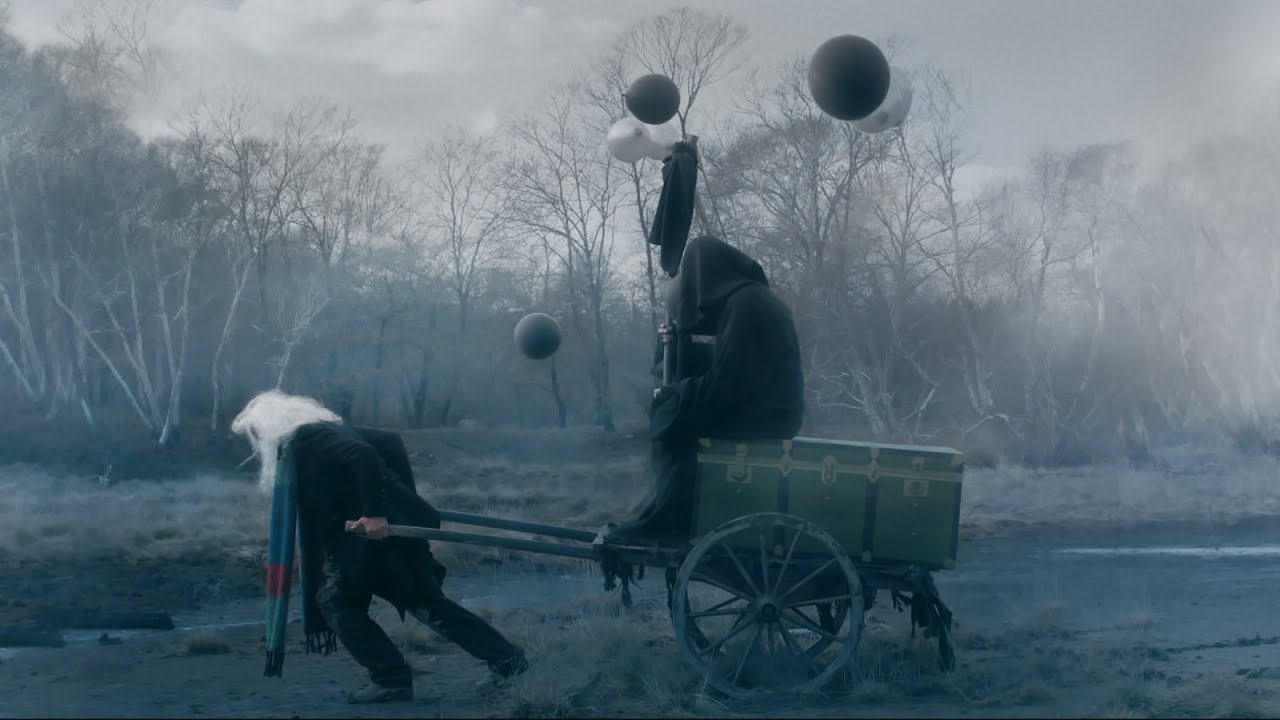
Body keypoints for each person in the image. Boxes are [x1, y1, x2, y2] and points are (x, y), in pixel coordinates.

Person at [231, 390, 528, 705]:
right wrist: (404, 499)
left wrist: (375, 513)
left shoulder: (308, 438)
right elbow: (388, 442)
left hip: (373, 542)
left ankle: (392, 679)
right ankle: (507, 661)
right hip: (382, 537)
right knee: (424, 603)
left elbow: (363, 454)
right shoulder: (330, 429)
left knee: (339, 602)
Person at [607, 236, 806, 545]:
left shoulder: (745, 305)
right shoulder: (752, 299)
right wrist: (678, 347)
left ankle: (665, 521)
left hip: (765, 416)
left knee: (677, 427)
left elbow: (729, 383)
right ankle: (656, 512)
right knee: (677, 413)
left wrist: (674, 398)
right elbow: (734, 362)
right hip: (772, 410)